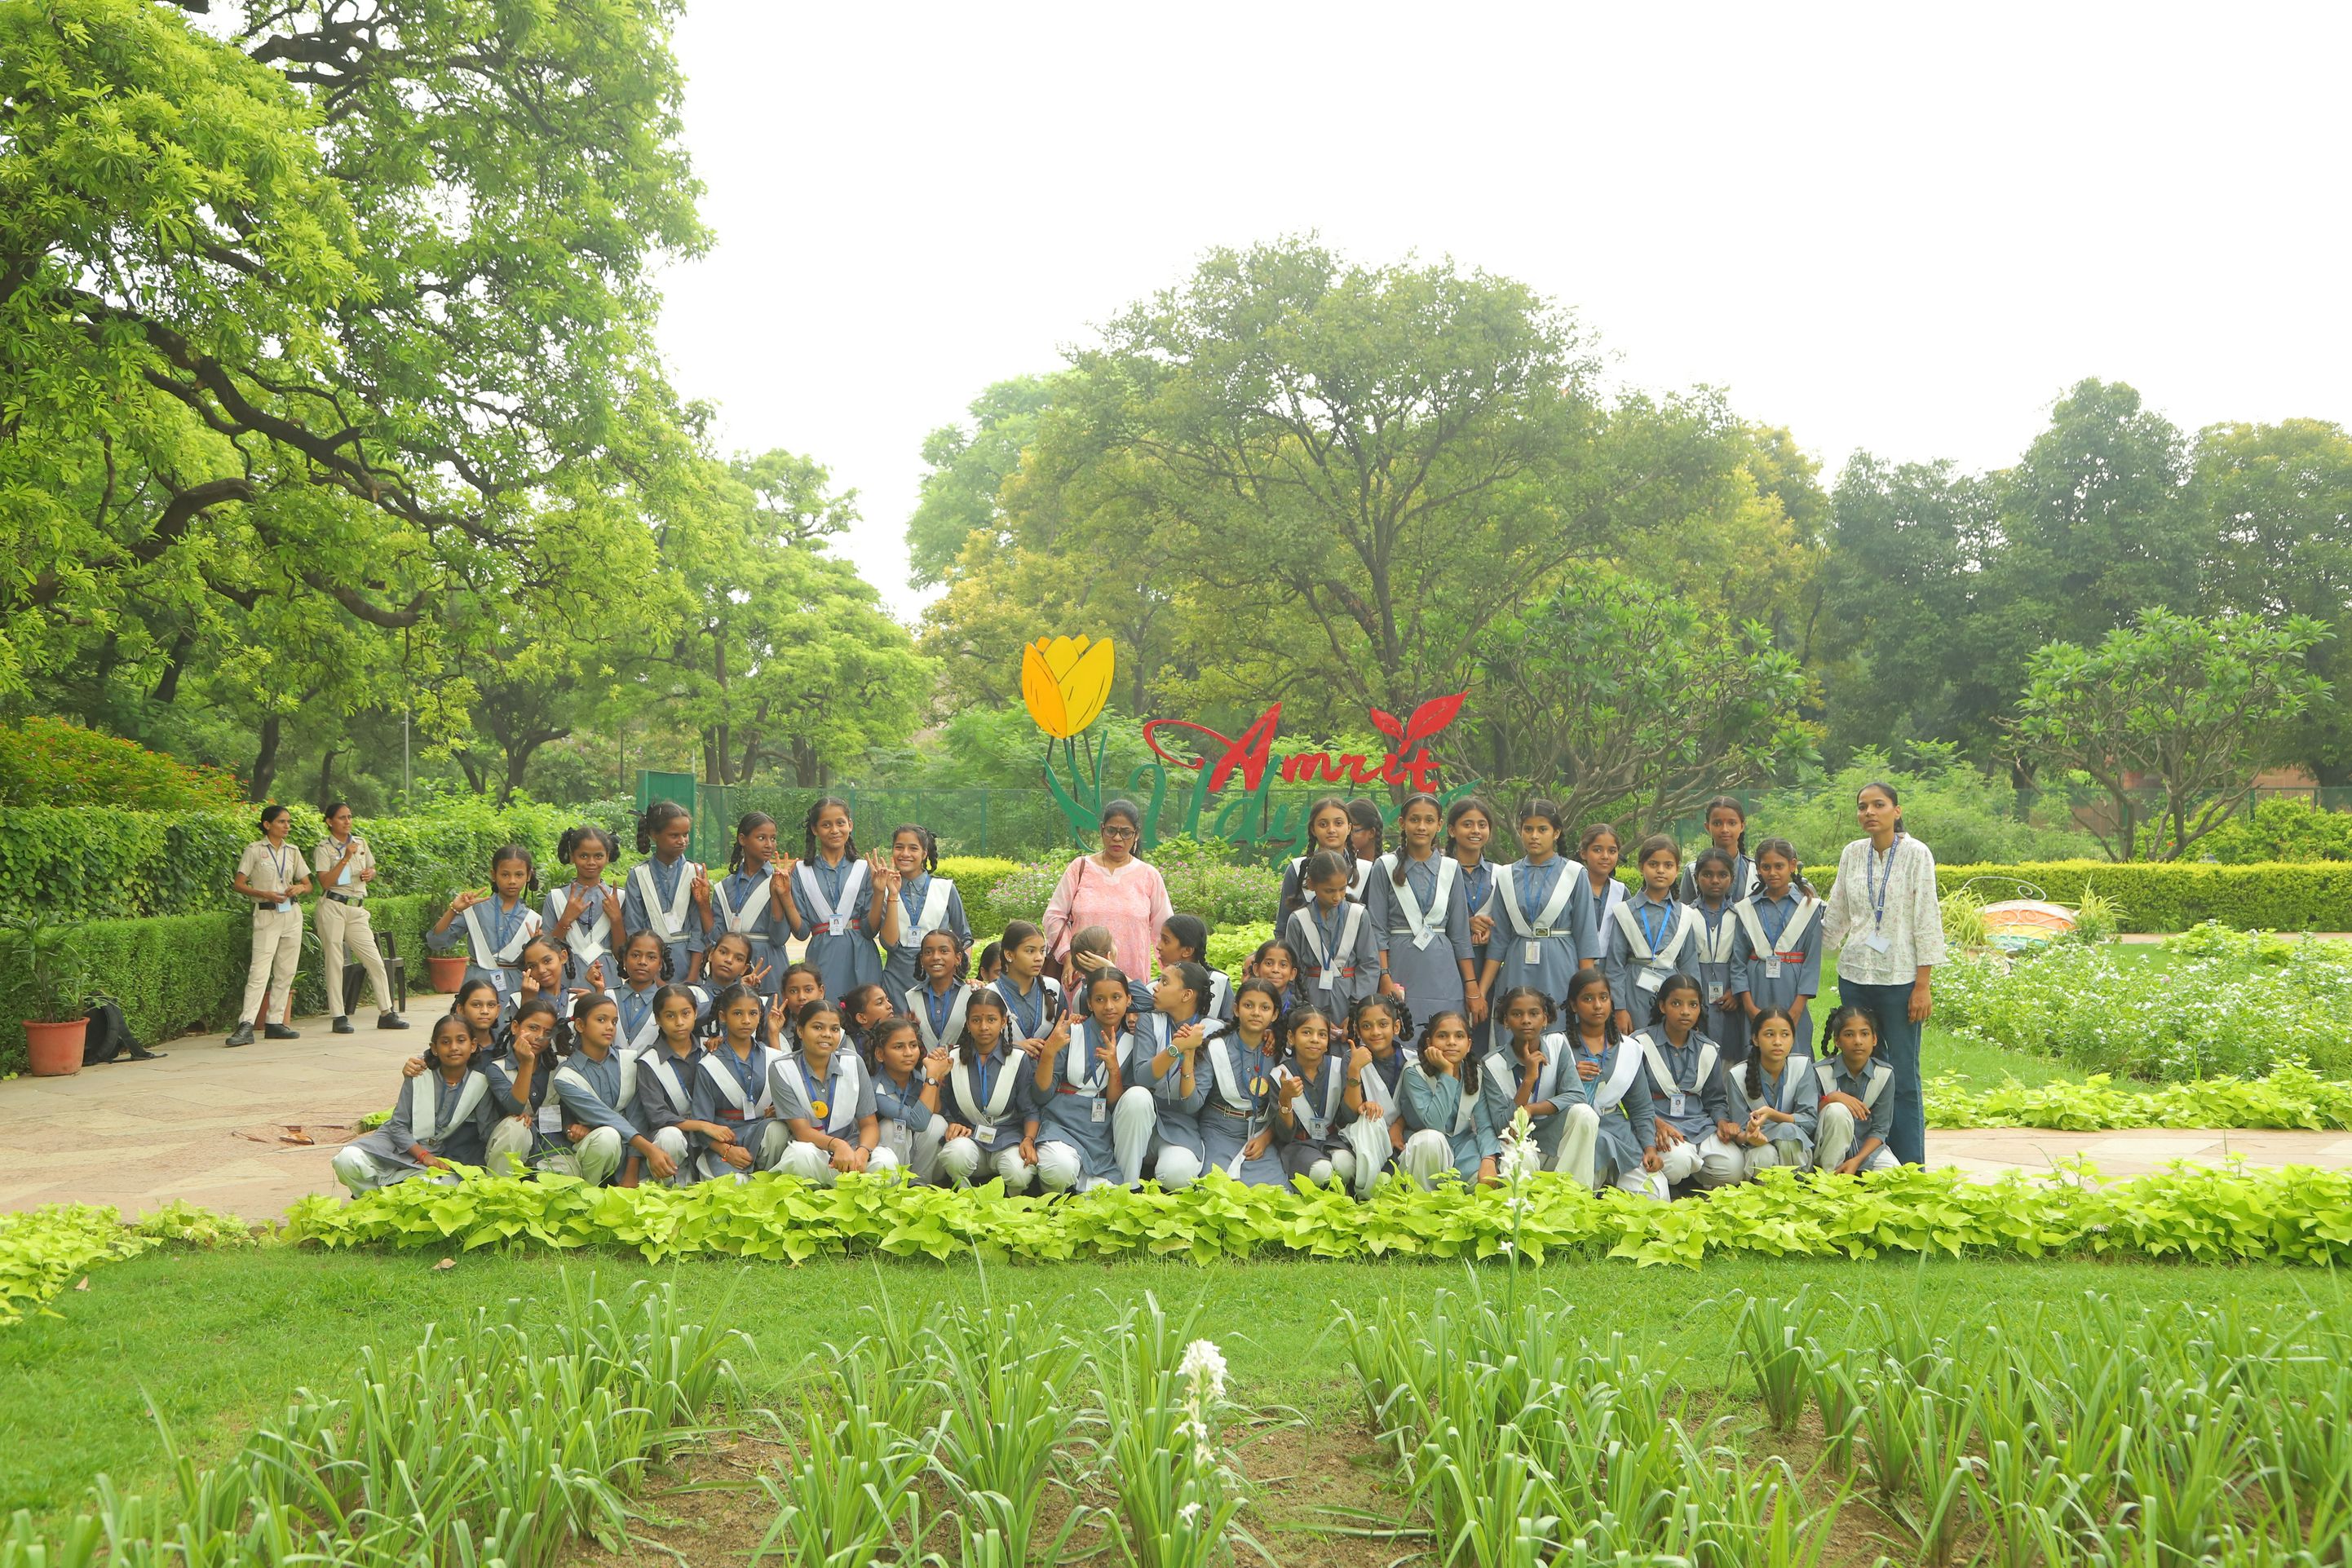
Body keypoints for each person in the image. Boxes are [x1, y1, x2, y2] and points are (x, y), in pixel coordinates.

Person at [1821, 782, 1944, 1166]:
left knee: (1901, 1074)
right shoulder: (1852, 853)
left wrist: (1922, 985)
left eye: (1878, 805)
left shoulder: (1916, 854)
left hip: (1900, 978)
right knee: (1860, 1068)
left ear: (1897, 811)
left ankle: (1909, 1165)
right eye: (1863, 807)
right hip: (1855, 976)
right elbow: (1837, 911)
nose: (1870, 812)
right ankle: (1862, 1157)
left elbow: (1927, 918)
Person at [332, 1015, 495, 1194]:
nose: (454, 1047)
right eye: (445, 1042)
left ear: (473, 1045)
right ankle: (372, 1195)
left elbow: (486, 1131)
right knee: (346, 1160)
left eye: (461, 1040)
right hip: (392, 1147)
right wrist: (423, 1155)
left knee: (446, 1183)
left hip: (430, 1158)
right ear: (434, 1048)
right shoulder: (419, 1074)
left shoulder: (480, 1084)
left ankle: (388, 1192)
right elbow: (398, 1126)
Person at [1029, 967, 1156, 1192]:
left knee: (1105, 1190)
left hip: (1100, 1129)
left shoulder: (1132, 1043)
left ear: (1128, 1000)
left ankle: (1117, 1187)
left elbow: (1115, 1105)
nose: (1109, 1006)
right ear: (1089, 1003)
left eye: (1116, 997)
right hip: (1061, 1122)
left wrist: (1114, 1070)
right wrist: (1048, 1053)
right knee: (1059, 1168)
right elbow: (1041, 1095)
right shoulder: (1072, 1031)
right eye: (1100, 999)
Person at [1368, 792, 1481, 1035]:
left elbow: (1460, 934)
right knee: (1400, 1034)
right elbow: (1377, 929)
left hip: (1443, 970)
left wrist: (1471, 985)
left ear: (1439, 825)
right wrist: (1384, 976)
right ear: (1402, 823)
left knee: (1443, 1035)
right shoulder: (1384, 866)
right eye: (1414, 820)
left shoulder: (1451, 868)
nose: (1421, 826)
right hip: (1399, 965)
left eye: (1429, 820)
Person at [1476, 798, 1596, 1016]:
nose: (1534, 836)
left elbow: (1585, 937)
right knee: (1516, 1021)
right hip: (1517, 964)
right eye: (1528, 829)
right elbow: (1499, 940)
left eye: (1542, 829)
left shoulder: (1575, 874)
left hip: (1561, 966)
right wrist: (1481, 991)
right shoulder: (1507, 875)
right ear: (1520, 831)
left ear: (1556, 833)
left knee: (1559, 1024)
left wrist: (1588, 992)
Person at [776, 797, 896, 1010]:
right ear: (815, 829)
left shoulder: (864, 869)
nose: (834, 830)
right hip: (822, 956)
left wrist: (879, 892)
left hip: (861, 955)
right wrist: (786, 896)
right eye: (826, 825)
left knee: (865, 1014)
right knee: (824, 1014)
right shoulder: (801, 872)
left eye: (840, 823)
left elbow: (870, 929)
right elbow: (802, 932)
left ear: (850, 825)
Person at [1041, 798, 1175, 983]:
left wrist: (1171, 976)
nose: (1117, 838)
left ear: (1136, 835)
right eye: (1111, 830)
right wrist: (1067, 955)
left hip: (1130, 983)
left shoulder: (1149, 876)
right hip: (1082, 978)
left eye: (1126, 832)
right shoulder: (1080, 869)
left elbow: (1165, 931)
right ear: (1102, 829)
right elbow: (1053, 917)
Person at [1554, 969, 1661, 1198]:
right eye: (1587, 999)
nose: (1597, 1006)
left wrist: (1649, 1147)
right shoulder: (1557, 1045)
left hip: (1618, 1134)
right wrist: (1569, 1076)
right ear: (1573, 1005)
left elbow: (1641, 1108)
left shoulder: (1630, 1049)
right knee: (1578, 1195)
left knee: (1655, 1195)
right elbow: (1543, 1100)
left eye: (1603, 998)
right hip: (1572, 1135)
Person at [550, 993, 671, 1187]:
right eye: (601, 1020)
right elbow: (606, 1117)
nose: (610, 1027)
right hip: (596, 1151)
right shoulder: (566, 1078)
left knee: (670, 1138)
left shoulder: (630, 1060)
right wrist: (650, 1150)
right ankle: (588, 1191)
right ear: (580, 1025)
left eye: (614, 1021)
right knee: (608, 1136)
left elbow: (637, 1116)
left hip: (633, 1153)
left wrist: (631, 1172)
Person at [770, 1000, 895, 1184]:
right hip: (813, 1150)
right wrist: (837, 1145)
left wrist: (862, 1152)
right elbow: (802, 1131)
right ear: (800, 1031)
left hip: (852, 1148)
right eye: (818, 1027)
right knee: (798, 1156)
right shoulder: (782, 1068)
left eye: (834, 1029)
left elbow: (869, 1125)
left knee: (886, 1162)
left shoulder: (853, 1062)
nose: (827, 1034)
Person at [311, 802, 406, 1035]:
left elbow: (372, 868)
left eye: (349, 817)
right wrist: (345, 858)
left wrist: (370, 874)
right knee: (334, 961)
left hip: (356, 908)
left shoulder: (361, 843)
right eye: (342, 818)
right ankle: (339, 1016)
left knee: (374, 959)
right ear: (330, 822)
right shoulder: (324, 848)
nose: (347, 821)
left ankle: (386, 1012)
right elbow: (325, 882)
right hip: (333, 905)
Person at [1635, 974, 1732, 1194]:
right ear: (1662, 1006)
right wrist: (1656, 1123)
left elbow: (1715, 1098)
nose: (1685, 1011)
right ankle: (1676, 1181)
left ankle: (1691, 1175)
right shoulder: (1640, 1044)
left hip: (1699, 1125)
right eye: (1676, 1004)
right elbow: (1630, 1100)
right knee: (1679, 1162)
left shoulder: (1707, 1048)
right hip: (1659, 1123)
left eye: (1693, 1005)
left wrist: (1722, 1122)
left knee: (1732, 1167)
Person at [1602, 836, 1704, 1037]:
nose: (1660, 870)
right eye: (1653, 864)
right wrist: (1620, 1008)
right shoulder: (1625, 912)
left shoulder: (1684, 915)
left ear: (1677, 869)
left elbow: (1690, 965)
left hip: (1674, 992)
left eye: (1668, 865)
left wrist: (1694, 1007)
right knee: (1637, 1044)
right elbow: (1615, 965)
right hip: (1633, 992)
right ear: (1641, 867)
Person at [227, 805, 312, 1046]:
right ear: (267, 825)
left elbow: (308, 884)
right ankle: (246, 1024)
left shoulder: (293, 851)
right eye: (282, 822)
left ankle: (275, 1022)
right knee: (259, 970)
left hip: (292, 913)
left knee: (286, 970)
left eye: (288, 822)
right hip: (266, 913)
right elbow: (239, 884)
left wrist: (300, 888)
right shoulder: (254, 850)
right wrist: (264, 893)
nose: (287, 826)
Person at [1132, 961, 1218, 1190]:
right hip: (1142, 1117)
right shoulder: (1149, 1020)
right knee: (1137, 1097)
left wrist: (1188, 1057)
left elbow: (1191, 1105)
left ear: (1186, 995)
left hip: (1181, 1124)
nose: (1156, 987)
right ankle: (1129, 1184)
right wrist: (1177, 1047)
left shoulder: (1211, 1031)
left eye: (1164, 982)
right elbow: (1142, 1078)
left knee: (1177, 1174)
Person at [936, 988, 1035, 1190]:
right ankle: (964, 1199)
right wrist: (952, 1124)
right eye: (976, 1020)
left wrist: (1029, 1139)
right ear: (967, 1023)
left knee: (1019, 1172)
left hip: (1007, 1137)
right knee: (955, 1155)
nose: (983, 1027)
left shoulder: (1018, 1059)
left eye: (991, 1019)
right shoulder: (953, 1058)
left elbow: (1030, 1109)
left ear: (1003, 1021)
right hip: (970, 1134)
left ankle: (1012, 1204)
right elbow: (944, 1103)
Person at [1196, 978, 1289, 1186]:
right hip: (1219, 1130)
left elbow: (1282, 1109)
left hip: (1260, 1133)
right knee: (1216, 1188)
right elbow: (1193, 1102)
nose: (1256, 1012)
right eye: (1248, 1005)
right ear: (1236, 1009)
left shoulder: (1279, 1051)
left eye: (1265, 1008)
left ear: (1274, 1015)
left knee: (1275, 1193)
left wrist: (1266, 1139)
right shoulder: (1216, 1047)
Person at [1732, 837, 1824, 1049]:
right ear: (1758, 869)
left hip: (1792, 990)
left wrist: (1797, 1009)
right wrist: (1749, 1007)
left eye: (1779, 866)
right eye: (1766, 867)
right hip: (1756, 988)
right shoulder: (1746, 909)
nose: (1772, 873)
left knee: (1794, 1046)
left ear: (1792, 865)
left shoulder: (1809, 908)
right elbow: (1738, 961)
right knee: (1757, 1047)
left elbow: (1812, 962)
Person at [690, 983, 787, 1177]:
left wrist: (778, 1110)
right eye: (737, 1013)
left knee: (777, 1130)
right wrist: (726, 1150)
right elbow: (701, 1122)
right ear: (723, 1016)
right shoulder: (709, 1064)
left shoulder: (772, 1057)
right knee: (734, 1185)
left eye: (753, 1013)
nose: (746, 1020)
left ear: (760, 1015)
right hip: (725, 1140)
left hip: (762, 1133)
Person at [1710, 1008, 1817, 1183]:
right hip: (1756, 1146)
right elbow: (1740, 1131)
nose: (1777, 1042)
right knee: (1763, 1153)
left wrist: (1773, 1115)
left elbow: (1810, 1120)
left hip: (1794, 1144)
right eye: (1769, 1034)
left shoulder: (1802, 1066)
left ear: (1793, 1039)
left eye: (1785, 1035)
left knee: (1789, 1133)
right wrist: (1750, 1136)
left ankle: (1797, 1189)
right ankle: (1762, 1198)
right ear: (1755, 1039)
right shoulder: (1737, 1075)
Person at [429, 845, 542, 1002]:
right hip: (475, 985)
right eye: (505, 874)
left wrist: (536, 947)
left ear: (528, 876)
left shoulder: (533, 919)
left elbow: (539, 965)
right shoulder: (475, 909)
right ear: (493, 875)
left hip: (514, 991)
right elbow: (436, 942)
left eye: (519, 875)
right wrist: (454, 910)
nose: (512, 881)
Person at [1398, 1010, 1498, 1188]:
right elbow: (1435, 1124)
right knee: (1431, 1139)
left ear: (1468, 1045)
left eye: (1459, 1036)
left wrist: (1489, 1160)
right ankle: (1424, 1201)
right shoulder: (1414, 1072)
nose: (1451, 1042)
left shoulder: (1475, 1073)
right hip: (1425, 1150)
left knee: (1484, 1183)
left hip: (1461, 1146)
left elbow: (1484, 1126)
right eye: (1442, 1036)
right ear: (1429, 1043)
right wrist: (1447, 1072)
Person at [634, 983, 718, 1186]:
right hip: (674, 1134)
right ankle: (668, 1188)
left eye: (686, 1013)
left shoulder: (710, 1049)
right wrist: (702, 1125)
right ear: (658, 1019)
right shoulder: (649, 1061)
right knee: (669, 1136)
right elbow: (658, 1116)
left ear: (696, 1013)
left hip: (711, 1133)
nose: (679, 1022)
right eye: (670, 1016)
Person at [881, 824, 970, 1013]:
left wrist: (960, 974)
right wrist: (892, 895)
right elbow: (889, 944)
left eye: (913, 848)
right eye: (899, 847)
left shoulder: (945, 888)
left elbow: (965, 937)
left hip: (939, 978)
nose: (905, 854)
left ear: (924, 853)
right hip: (896, 980)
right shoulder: (885, 889)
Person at [625, 801, 713, 985]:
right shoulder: (638, 875)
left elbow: (698, 928)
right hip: (649, 969)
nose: (682, 841)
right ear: (654, 835)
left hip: (689, 966)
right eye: (674, 835)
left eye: (685, 834)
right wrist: (655, 980)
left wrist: (692, 977)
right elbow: (634, 927)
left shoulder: (695, 872)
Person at [1337, 994, 1413, 1199]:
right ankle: (1367, 1196)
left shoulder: (1411, 1059)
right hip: (1365, 1139)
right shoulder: (1352, 1058)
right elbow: (1350, 1114)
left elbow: (1417, 1108)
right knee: (1369, 1122)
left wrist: (1398, 1126)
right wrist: (1355, 1069)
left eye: (1383, 1024)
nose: (1376, 1032)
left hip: (1402, 1136)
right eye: (1367, 1026)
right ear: (1357, 1030)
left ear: (1396, 1027)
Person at [1287, 850, 1379, 1016]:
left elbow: (1369, 964)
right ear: (1311, 884)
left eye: (1342, 889)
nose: (1337, 897)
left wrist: (1357, 1008)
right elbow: (1293, 969)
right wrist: (1302, 1007)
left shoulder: (1358, 915)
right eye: (1329, 891)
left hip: (1349, 996)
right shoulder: (1298, 920)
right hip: (1310, 998)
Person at [1486, 986, 1569, 1170]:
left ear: (1545, 1019)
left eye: (1534, 1014)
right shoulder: (1492, 1063)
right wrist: (1529, 1079)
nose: (1526, 1020)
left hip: (1553, 1139)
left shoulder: (1558, 1044)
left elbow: (1577, 1096)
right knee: (1520, 1158)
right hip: (1514, 1142)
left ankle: (1576, 1185)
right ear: (1506, 1021)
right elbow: (1502, 1127)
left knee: (1584, 1114)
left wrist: (1530, 1109)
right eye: (1517, 1014)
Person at [482, 991, 564, 1173]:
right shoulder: (498, 1069)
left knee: (566, 1174)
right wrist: (527, 1063)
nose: (539, 1037)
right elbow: (516, 1106)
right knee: (516, 1125)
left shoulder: (560, 1066)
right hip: (513, 1145)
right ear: (515, 1027)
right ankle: (500, 1188)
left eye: (547, 1032)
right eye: (533, 1028)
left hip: (551, 1146)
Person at [1814, 1003, 1899, 1174]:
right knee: (1837, 1111)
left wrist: (1857, 1160)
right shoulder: (1820, 1072)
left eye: (1864, 1034)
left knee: (1895, 1175)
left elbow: (1880, 1129)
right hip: (1825, 1150)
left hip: (1865, 1151)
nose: (1858, 1041)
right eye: (1849, 1035)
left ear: (1874, 1039)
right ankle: (1829, 1178)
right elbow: (1807, 1116)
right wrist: (1831, 1098)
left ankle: (1853, 1168)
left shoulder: (1884, 1074)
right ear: (1837, 1041)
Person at [1271, 1004, 1351, 1188]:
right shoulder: (1280, 1075)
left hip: (1332, 1139)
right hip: (1299, 1144)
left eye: (1322, 1035)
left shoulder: (1338, 1067)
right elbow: (1284, 1134)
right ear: (1291, 1037)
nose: (1315, 1040)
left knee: (1346, 1165)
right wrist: (1285, 1099)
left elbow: (1347, 1117)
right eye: (1306, 1033)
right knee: (1321, 1171)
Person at [710, 812, 786, 999]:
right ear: (742, 839)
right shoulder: (725, 887)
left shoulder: (780, 881)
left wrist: (777, 897)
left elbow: (779, 937)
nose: (769, 845)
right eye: (761, 838)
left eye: (773, 839)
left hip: (769, 963)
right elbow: (715, 936)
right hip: (732, 964)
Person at [871, 1017, 956, 1182]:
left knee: (937, 1122)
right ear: (880, 1054)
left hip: (915, 1155)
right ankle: (893, 1186)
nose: (908, 1053)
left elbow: (934, 1110)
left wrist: (937, 1074)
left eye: (913, 1045)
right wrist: (932, 1076)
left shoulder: (920, 1075)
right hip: (883, 1161)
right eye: (899, 1047)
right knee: (893, 1126)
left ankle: (920, 1185)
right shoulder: (876, 1087)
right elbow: (918, 1122)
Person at [1445, 797, 1501, 1047]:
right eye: (1467, 824)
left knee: (1483, 1032)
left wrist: (1491, 929)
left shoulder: (1500, 874)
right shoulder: (1441, 871)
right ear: (1451, 830)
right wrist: (1464, 924)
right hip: (1448, 963)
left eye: (1482, 825)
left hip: (1488, 963)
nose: (1475, 830)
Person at [1686, 848, 1748, 1062]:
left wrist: (1736, 991)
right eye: (1707, 874)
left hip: (1730, 992)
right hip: (1697, 986)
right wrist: (1692, 994)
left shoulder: (1741, 915)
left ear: (1732, 879)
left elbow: (1745, 957)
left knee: (1730, 1052)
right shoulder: (1686, 915)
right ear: (1696, 878)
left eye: (1722, 875)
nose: (1715, 881)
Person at [545, 826, 621, 995]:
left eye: (598, 856)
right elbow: (546, 950)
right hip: (567, 978)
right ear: (572, 856)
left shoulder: (619, 898)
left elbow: (622, 954)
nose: (591, 862)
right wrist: (566, 919)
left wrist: (616, 919)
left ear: (608, 856)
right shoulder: (556, 897)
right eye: (584, 856)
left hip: (607, 981)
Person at [1275, 796, 1358, 932]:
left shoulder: (1365, 870)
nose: (1331, 830)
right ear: (1313, 829)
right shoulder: (1297, 870)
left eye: (1338, 823)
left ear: (1349, 828)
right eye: (1323, 824)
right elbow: (1283, 927)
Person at [993, 920, 1066, 1061]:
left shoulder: (1053, 988)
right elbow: (976, 1045)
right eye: (1030, 951)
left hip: (1047, 1071)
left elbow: (1064, 1039)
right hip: (1005, 1071)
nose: (1039, 958)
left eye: (1042, 951)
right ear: (1009, 955)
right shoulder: (990, 993)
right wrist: (1014, 1047)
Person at [908, 930, 978, 1058]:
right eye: (928, 952)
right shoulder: (910, 997)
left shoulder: (972, 994)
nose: (935, 957)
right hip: (923, 1069)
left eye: (944, 951)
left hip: (963, 1065)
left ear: (958, 958)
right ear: (922, 960)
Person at [1678, 797, 1757, 903]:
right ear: (1707, 827)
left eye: (1732, 823)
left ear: (1742, 826)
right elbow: (1684, 911)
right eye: (1717, 823)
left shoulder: (1755, 870)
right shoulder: (1693, 870)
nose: (1725, 829)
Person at [1156, 914, 1233, 1022]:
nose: (1158, 946)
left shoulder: (1219, 983)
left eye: (1166, 941)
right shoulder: (1155, 987)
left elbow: (1232, 1026)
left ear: (1187, 950)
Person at [1576, 824, 1629, 943]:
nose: (1605, 856)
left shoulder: (1621, 892)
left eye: (1612, 851)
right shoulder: (1573, 889)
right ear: (1583, 853)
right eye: (1597, 850)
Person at [1243, 938, 1302, 1014]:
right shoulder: (1244, 1003)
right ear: (1256, 969)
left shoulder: (1299, 1010)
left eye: (1283, 965)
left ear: (1292, 973)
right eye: (1269, 963)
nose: (1275, 970)